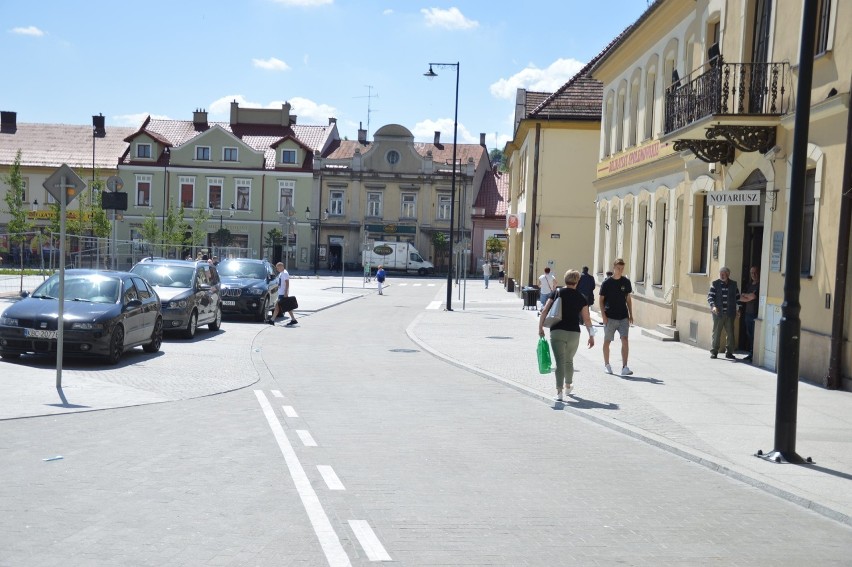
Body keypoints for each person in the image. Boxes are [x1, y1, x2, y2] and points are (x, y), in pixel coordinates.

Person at [538, 269, 595, 401]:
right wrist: (591, 335)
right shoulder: (582, 297)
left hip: (557, 330)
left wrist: (540, 327)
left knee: (560, 362)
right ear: (577, 281)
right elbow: (587, 319)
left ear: (565, 279)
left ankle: (559, 392)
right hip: (574, 333)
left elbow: (545, 310)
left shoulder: (557, 292)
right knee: (569, 360)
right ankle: (568, 385)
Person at [599, 258, 634, 375]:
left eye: (622, 268)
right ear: (614, 267)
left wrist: (631, 314)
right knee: (607, 341)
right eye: (618, 268)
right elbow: (601, 300)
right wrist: (603, 315)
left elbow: (628, 299)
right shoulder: (607, 283)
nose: (620, 270)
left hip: (623, 316)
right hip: (610, 317)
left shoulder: (626, 282)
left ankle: (625, 367)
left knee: (625, 340)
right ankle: (607, 365)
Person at [708, 266, 740, 359]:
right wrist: (713, 306)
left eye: (724, 274)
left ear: (728, 274)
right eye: (720, 274)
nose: (722, 275)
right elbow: (710, 297)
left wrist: (738, 309)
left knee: (730, 333)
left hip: (730, 313)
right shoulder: (715, 284)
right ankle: (714, 351)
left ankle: (729, 352)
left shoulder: (733, 284)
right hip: (718, 313)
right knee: (716, 333)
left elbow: (737, 297)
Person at [739, 266, 760, 362]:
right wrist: (747, 296)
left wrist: (746, 296)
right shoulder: (749, 285)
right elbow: (741, 298)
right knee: (749, 334)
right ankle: (751, 353)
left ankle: (754, 354)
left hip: (756, 314)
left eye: (755, 273)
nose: (754, 275)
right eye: (752, 273)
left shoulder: (760, 285)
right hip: (747, 313)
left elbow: (753, 296)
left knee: (755, 335)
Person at [268, 262, 298, 326]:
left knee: (277, 307)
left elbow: (287, 283)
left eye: (278, 268)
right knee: (286, 307)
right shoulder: (281, 273)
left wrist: (286, 293)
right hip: (280, 293)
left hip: (283, 294)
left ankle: (272, 320)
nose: (277, 269)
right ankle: (293, 319)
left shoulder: (285, 273)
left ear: (281, 266)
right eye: (277, 268)